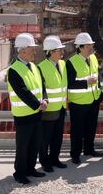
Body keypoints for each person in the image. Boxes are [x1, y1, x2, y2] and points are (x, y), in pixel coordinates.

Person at [7, 33, 47, 184]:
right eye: (31, 50)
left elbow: (41, 86)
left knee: (34, 144)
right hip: (23, 115)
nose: (34, 52)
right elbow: (22, 91)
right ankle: (20, 173)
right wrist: (38, 105)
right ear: (22, 51)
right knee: (23, 147)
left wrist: (45, 99)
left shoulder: (34, 67)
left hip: (36, 114)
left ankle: (31, 169)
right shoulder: (14, 70)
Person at [66, 32, 103, 164]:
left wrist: (99, 95)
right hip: (78, 103)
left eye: (91, 45)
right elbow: (69, 84)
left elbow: (96, 76)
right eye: (88, 46)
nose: (91, 48)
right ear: (80, 47)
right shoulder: (71, 63)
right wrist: (86, 83)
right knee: (77, 130)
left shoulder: (93, 58)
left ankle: (89, 149)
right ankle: (75, 154)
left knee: (91, 127)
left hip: (93, 100)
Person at [37, 35, 68, 172]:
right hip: (48, 110)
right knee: (45, 138)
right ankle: (45, 162)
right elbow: (41, 89)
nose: (62, 52)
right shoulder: (41, 67)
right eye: (59, 50)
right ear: (50, 52)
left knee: (57, 137)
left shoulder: (62, 64)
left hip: (61, 107)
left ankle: (55, 158)